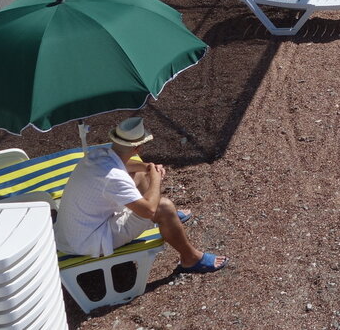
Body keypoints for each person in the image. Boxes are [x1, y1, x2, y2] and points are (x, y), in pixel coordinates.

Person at [54, 117, 229, 273]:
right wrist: (155, 178)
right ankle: (190, 258)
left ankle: (167, 221)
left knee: (139, 175)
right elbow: (148, 210)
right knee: (163, 207)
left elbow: (124, 165)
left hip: (71, 233)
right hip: (88, 242)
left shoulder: (97, 155)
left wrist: (146, 167)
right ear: (138, 148)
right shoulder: (114, 177)